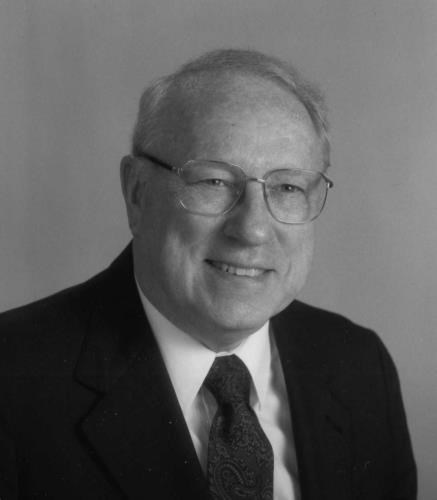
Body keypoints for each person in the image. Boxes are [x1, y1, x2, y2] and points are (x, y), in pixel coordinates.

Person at [0, 49, 416, 500]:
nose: (252, 230)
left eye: (288, 187)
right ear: (137, 193)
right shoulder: (13, 379)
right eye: (214, 182)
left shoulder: (359, 367)